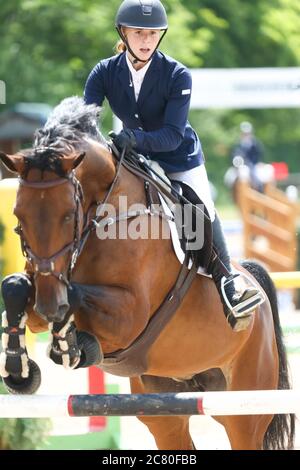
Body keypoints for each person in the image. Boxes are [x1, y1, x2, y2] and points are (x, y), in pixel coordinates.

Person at [84, 0, 263, 331]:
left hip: (178, 156)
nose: (146, 40)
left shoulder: (177, 74)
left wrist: (133, 138)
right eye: (138, 33)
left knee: (202, 207)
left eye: (152, 34)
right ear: (123, 32)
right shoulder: (104, 72)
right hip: (130, 157)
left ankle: (229, 284)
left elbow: (171, 134)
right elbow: (86, 119)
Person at [232, 121, 264, 191]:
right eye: (244, 134)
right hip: (242, 166)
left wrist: (259, 162)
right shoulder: (238, 145)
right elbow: (235, 157)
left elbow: (259, 155)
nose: (246, 135)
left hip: (253, 165)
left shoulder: (255, 144)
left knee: (260, 177)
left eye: (247, 134)